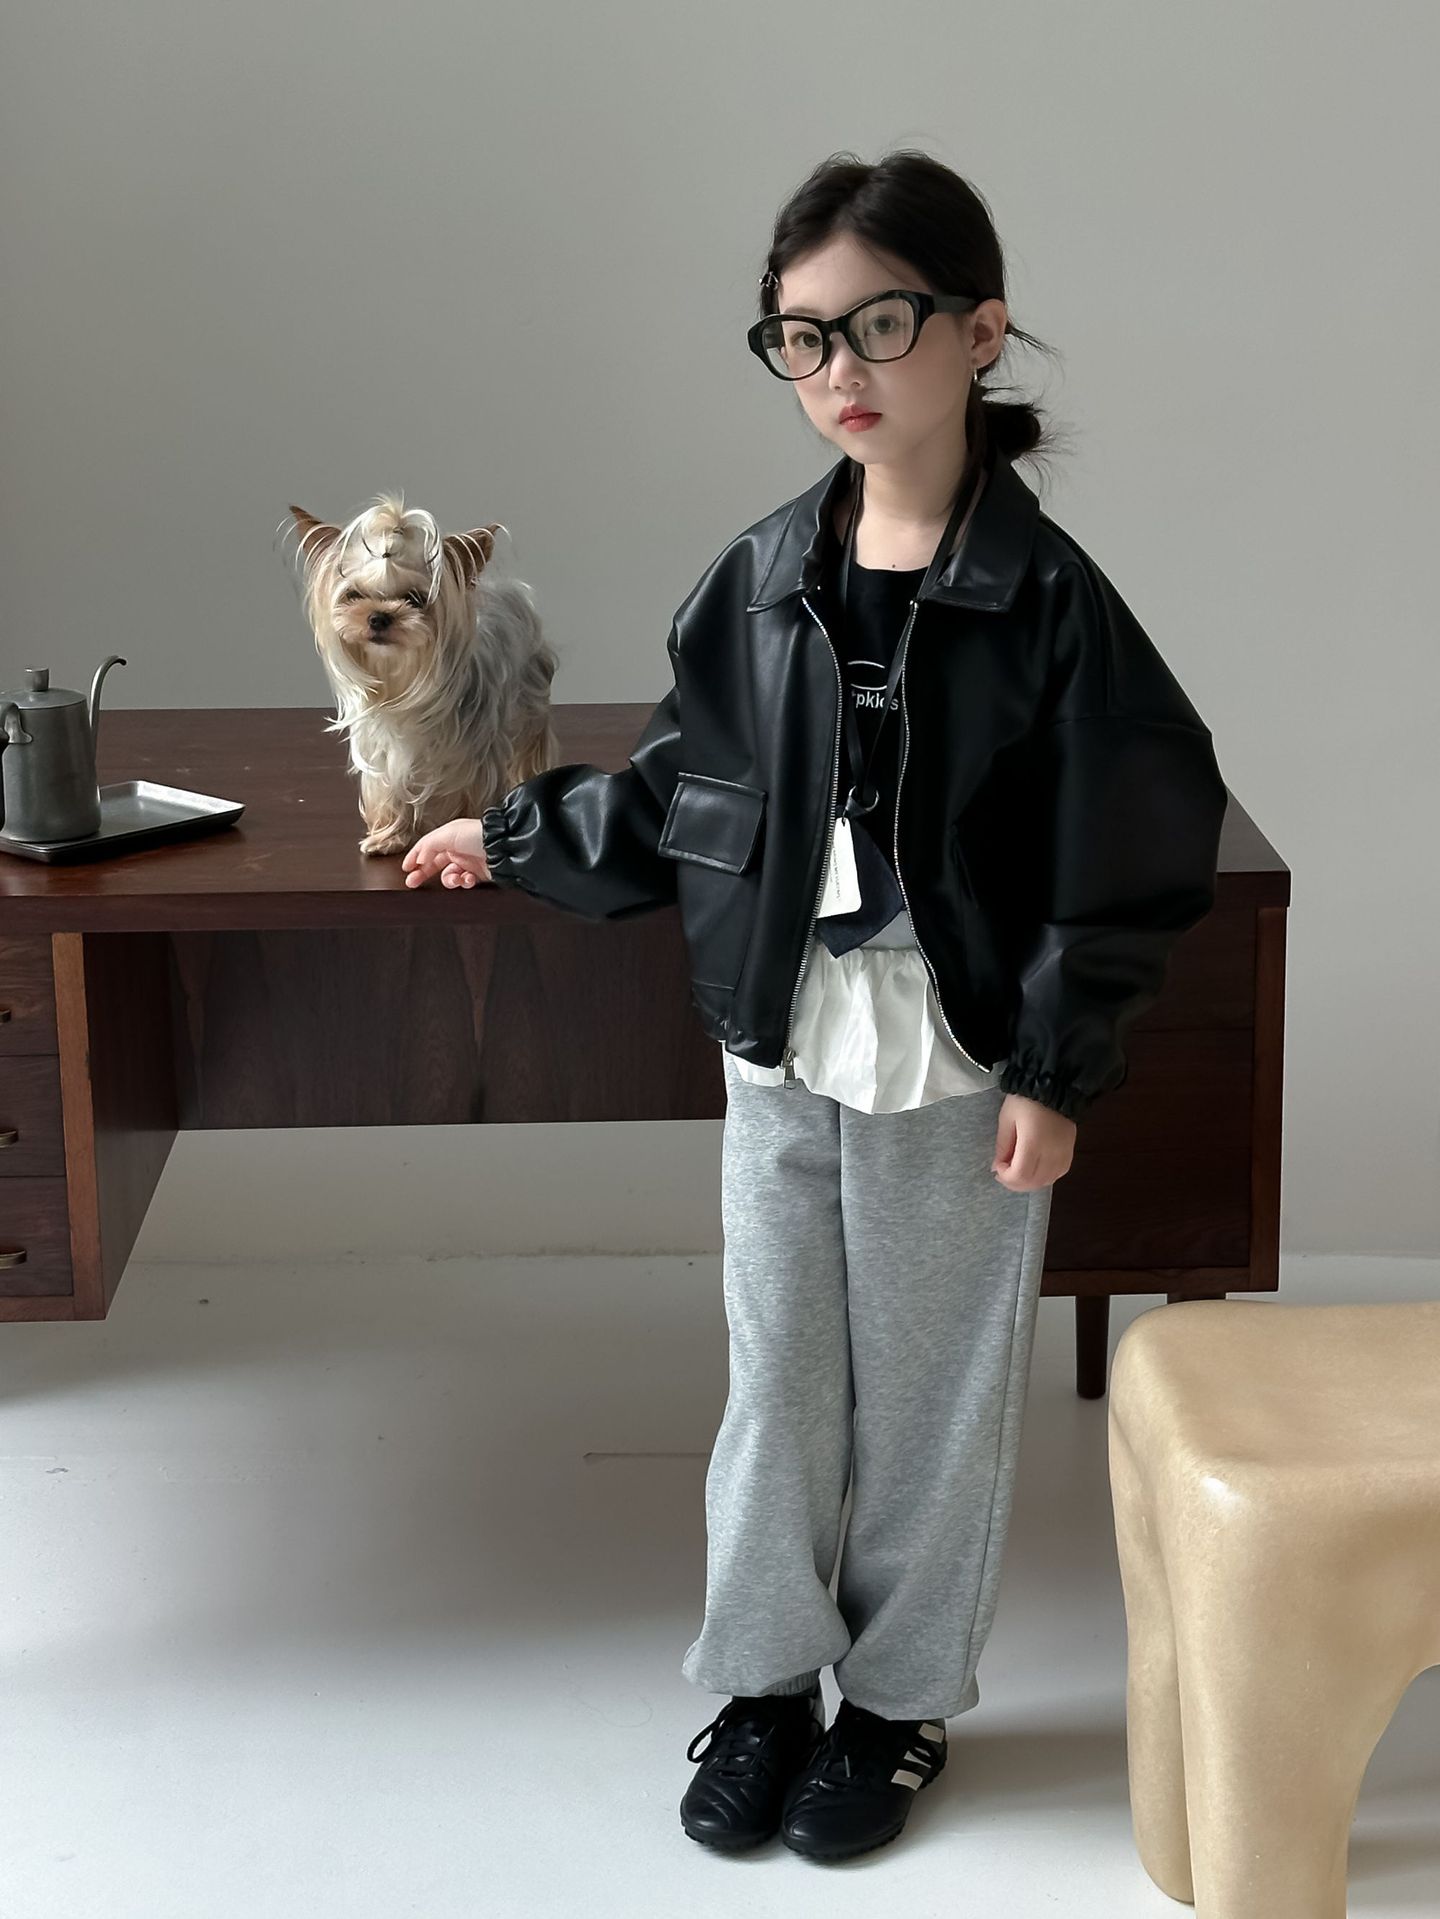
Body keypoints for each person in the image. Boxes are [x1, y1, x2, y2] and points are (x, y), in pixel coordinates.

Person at [402, 149, 1228, 1866]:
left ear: (979, 332)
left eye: (880, 324)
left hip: (957, 1051)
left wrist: (1057, 1068)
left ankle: (901, 1704)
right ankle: (765, 1685)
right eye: (801, 337)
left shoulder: (1051, 603)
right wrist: (522, 833)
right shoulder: (763, 577)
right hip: (782, 1039)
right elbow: (687, 792)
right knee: (779, 1379)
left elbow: (1131, 851)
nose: (840, 369)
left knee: (931, 1395)